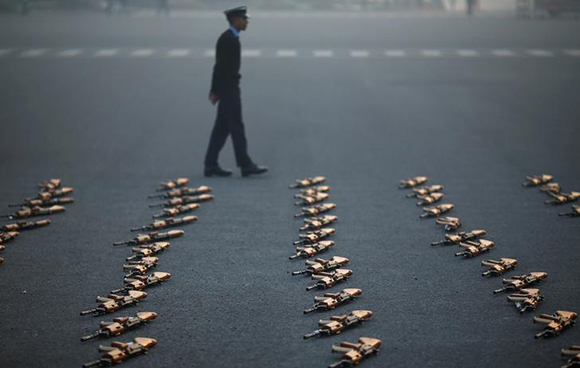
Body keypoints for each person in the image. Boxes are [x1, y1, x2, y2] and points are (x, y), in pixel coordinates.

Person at [204, 6, 268, 178]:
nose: (246, 22)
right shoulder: (228, 39)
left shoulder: (232, 37)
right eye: (244, 19)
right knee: (236, 127)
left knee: (222, 128)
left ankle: (210, 165)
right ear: (235, 20)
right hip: (228, 89)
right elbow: (219, 67)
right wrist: (214, 90)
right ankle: (246, 165)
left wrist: (216, 90)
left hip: (228, 88)